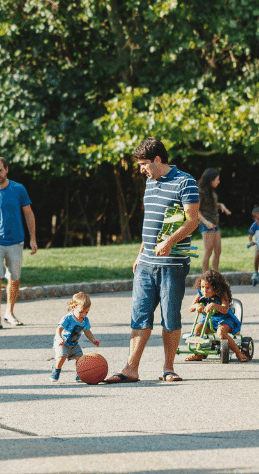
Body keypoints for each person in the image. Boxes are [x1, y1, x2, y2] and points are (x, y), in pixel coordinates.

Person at [105, 137, 199, 384]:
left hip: (173, 262)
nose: (141, 169)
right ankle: (131, 368)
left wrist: (169, 242)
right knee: (140, 315)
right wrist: (140, 253)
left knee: (170, 316)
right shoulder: (150, 182)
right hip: (146, 262)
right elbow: (151, 223)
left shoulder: (185, 182)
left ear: (158, 159)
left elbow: (192, 221)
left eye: (144, 164)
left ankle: (169, 368)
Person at [0, 156, 38, 330]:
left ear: (7, 169)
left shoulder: (18, 189)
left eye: (0, 170)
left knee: (15, 279)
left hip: (16, 241)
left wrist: (33, 238)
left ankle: (9, 312)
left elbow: (28, 213)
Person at [186, 270, 249, 362]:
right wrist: (197, 305)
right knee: (197, 329)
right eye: (203, 287)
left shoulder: (222, 294)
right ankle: (199, 353)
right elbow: (191, 308)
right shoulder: (200, 294)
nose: (204, 290)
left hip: (224, 319)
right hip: (209, 319)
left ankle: (238, 352)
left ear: (216, 288)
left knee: (221, 333)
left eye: (208, 288)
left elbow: (225, 309)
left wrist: (214, 305)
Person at [50, 292, 100, 383]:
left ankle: (79, 374)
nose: (84, 315)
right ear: (73, 308)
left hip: (74, 343)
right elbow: (59, 329)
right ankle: (56, 370)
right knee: (62, 357)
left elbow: (87, 331)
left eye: (87, 312)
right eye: (81, 312)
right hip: (62, 342)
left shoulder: (85, 320)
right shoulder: (68, 318)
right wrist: (59, 338)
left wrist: (93, 340)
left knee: (80, 358)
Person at [197, 168, 231, 274]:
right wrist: (206, 222)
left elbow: (210, 204)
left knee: (218, 250)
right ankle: (205, 276)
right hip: (206, 224)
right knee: (208, 251)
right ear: (211, 180)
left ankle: (215, 275)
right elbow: (195, 211)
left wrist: (221, 205)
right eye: (217, 179)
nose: (218, 182)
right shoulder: (200, 192)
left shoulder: (211, 191)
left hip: (214, 223)